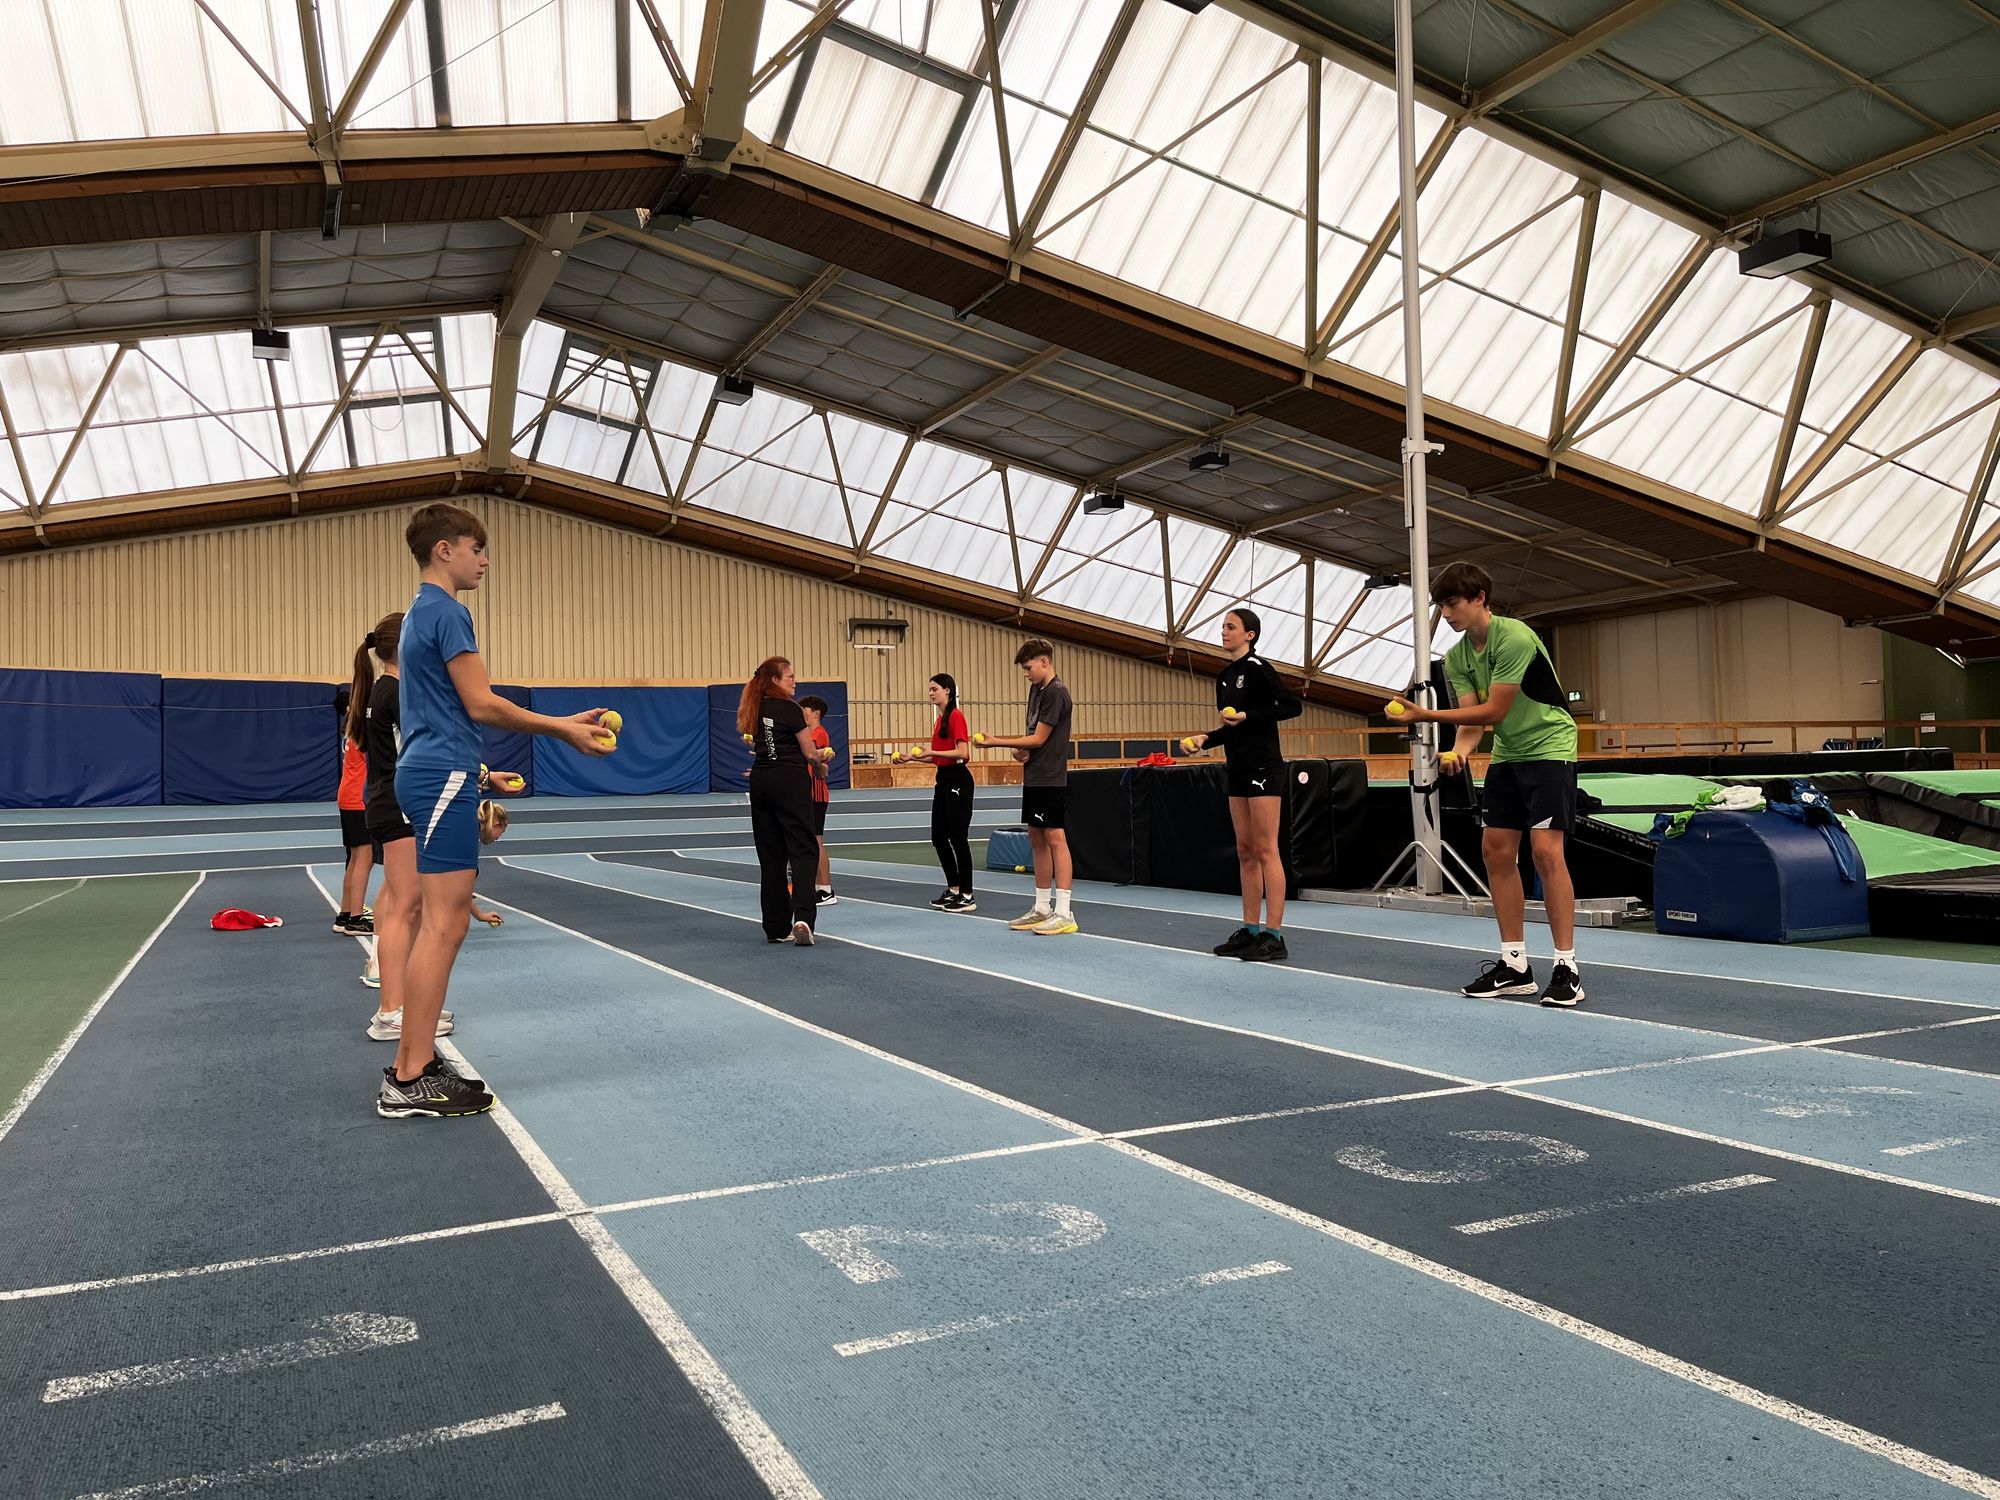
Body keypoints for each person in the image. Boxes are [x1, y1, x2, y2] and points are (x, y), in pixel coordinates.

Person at [377, 503, 613, 1119]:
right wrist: (562, 729)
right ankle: (409, 1076)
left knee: (443, 922)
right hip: (440, 776)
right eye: (476, 548)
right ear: (444, 550)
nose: (485, 561)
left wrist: (483, 772)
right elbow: (480, 704)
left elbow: (449, 710)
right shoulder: (447, 611)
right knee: (443, 925)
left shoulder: (421, 613)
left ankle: (414, 1065)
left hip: (440, 773)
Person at [1389, 561, 1584, 1008]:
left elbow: (1494, 711)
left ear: (1479, 598)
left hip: (1550, 747)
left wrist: (1425, 715)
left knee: (1545, 852)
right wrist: (1459, 751)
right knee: (1495, 851)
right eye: (1441, 606)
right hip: (1509, 754)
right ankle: (1515, 966)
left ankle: (1566, 968)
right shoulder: (1456, 659)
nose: (1446, 614)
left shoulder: (1514, 637)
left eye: (1452, 603)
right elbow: (1474, 721)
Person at [1181, 607, 1302, 963]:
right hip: (1237, 767)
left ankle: (1273, 935)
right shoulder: (1224, 676)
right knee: (1245, 849)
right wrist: (1207, 738)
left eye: (1231, 627)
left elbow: (1291, 706)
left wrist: (1250, 715)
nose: (1224, 631)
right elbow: (1233, 727)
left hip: (1264, 766)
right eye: (1223, 626)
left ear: (1249, 635)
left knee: (1266, 849)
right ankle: (1250, 930)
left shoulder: (1259, 668)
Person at [978, 639, 1076, 936]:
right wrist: (1022, 751)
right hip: (1035, 774)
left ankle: (1064, 912)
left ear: (1044, 662)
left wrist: (997, 742)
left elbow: (1040, 738)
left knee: (1055, 836)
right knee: (1035, 835)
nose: (1026, 673)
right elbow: (1032, 736)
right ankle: (1042, 907)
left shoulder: (1056, 692)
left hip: (1051, 776)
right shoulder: (1036, 690)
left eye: (1029, 667)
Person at [741, 657, 825, 946]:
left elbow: (763, 745)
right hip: (789, 780)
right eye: (790, 676)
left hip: (761, 781)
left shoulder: (754, 707)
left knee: (771, 855)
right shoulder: (790, 709)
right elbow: (809, 752)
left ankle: (776, 926)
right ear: (775, 680)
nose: (794, 681)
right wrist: (820, 766)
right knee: (803, 849)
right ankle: (804, 918)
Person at [895, 674, 976, 912]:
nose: (930, 693)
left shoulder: (956, 716)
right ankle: (954, 889)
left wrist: (931, 751)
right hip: (943, 779)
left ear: (947, 690)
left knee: (958, 838)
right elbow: (939, 758)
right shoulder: (940, 720)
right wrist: (912, 758)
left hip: (958, 779)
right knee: (938, 837)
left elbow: (962, 752)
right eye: (929, 689)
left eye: (935, 689)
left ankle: (967, 895)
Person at [331, 683, 376, 938]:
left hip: (348, 795)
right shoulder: (359, 728)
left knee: (354, 858)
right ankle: (356, 918)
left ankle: (346, 914)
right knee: (364, 857)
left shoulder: (350, 728)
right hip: (358, 797)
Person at [798, 694, 836, 906]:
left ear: (815, 713)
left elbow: (810, 754)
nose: (801, 714)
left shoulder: (818, 733)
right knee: (809, 840)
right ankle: (814, 886)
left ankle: (825, 889)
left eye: (804, 710)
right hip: (806, 792)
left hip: (816, 793)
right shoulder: (809, 733)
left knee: (816, 840)